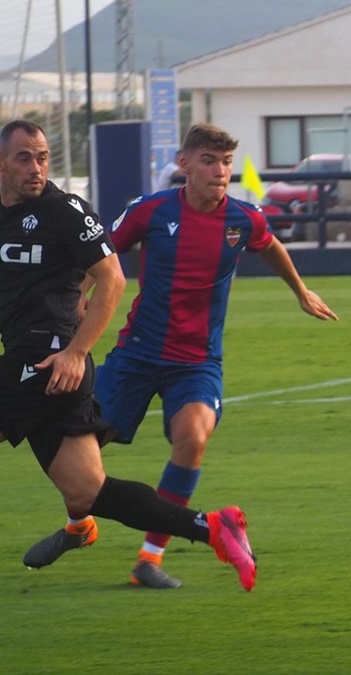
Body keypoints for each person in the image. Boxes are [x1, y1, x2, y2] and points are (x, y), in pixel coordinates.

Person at [22, 123, 338, 589]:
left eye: (227, 162)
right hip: (137, 355)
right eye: (209, 160)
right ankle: (78, 527)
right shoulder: (151, 211)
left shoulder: (243, 220)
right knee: (78, 452)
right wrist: (84, 291)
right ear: (184, 163)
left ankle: (149, 559)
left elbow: (269, 246)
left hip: (197, 362)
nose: (220, 171)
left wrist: (300, 290)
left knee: (192, 436)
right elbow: (101, 252)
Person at [0, 119, 257, 592]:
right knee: (87, 491)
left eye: (43, 157)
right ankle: (214, 527)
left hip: (49, 358)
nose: (36, 168)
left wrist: (78, 352)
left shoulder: (66, 210)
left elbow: (113, 278)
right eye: (24, 158)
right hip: (40, 365)